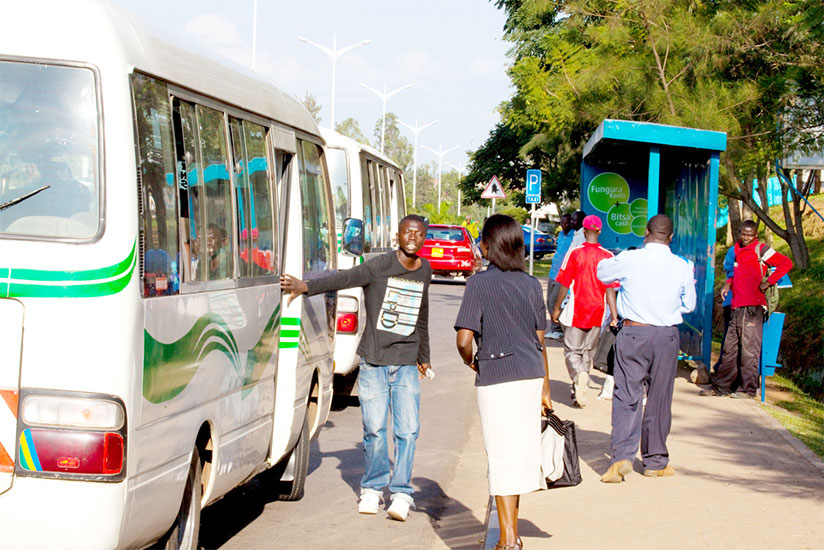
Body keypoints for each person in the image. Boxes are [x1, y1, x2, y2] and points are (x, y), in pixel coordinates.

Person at [280, 214, 432, 521]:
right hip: (375, 362)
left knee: (408, 431)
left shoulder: (425, 269)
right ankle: (373, 489)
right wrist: (304, 286)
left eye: (418, 233)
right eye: (407, 232)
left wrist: (424, 356)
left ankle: (402, 493)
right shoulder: (379, 267)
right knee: (374, 430)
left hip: (405, 364)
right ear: (397, 237)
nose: (412, 237)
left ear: (424, 236)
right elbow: (343, 279)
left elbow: (422, 314)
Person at [454, 214, 552, 550]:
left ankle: (508, 539)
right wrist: (545, 388)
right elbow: (540, 341)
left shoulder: (478, 284)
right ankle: (510, 536)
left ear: (487, 246)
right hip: (528, 377)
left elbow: (465, 338)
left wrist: (471, 361)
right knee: (517, 455)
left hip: (496, 378)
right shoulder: (529, 284)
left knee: (499, 456)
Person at [596, 214, 696, 482]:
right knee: (659, 399)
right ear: (671, 237)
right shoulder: (683, 266)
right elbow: (690, 305)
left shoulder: (630, 259)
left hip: (633, 333)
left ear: (646, 232)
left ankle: (620, 461)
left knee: (626, 396)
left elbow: (602, 273)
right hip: (666, 337)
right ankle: (655, 462)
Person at [701, 220, 792, 399]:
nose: (746, 238)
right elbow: (732, 274)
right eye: (744, 234)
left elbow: (786, 263)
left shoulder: (762, 250)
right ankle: (721, 387)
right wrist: (727, 285)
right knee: (729, 349)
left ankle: (748, 390)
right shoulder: (735, 251)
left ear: (755, 235)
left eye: (750, 235)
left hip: (754, 307)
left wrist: (769, 281)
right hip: (736, 306)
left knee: (749, 350)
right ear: (739, 233)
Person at [551, 214, 619, 407]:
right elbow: (610, 289)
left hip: (576, 309)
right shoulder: (607, 256)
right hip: (598, 311)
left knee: (572, 351)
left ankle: (578, 376)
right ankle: (579, 390)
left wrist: (556, 308)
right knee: (587, 352)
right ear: (599, 230)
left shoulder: (574, 253)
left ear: (584, 229)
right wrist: (613, 316)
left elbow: (564, 283)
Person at [545, 213, 574, 339]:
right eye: (562, 223)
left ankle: (558, 329)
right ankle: (554, 328)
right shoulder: (561, 235)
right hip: (553, 272)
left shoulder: (574, 235)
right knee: (549, 301)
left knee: (554, 302)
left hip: (562, 274)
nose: (564, 225)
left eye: (566, 223)